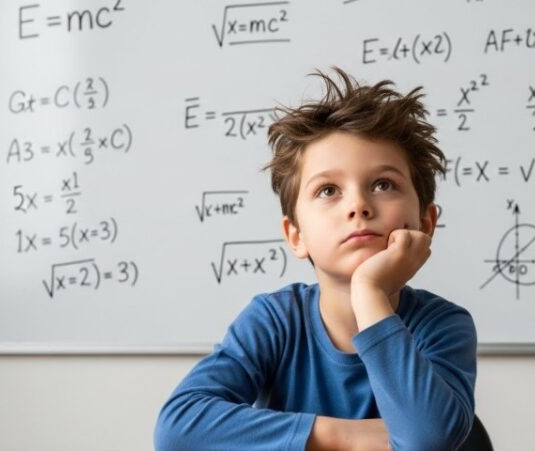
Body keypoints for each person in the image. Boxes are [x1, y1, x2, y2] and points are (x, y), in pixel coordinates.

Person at [154, 67, 477, 450]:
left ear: (425, 222)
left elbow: (428, 439)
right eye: (328, 190)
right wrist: (350, 439)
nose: (358, 205)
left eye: (383, 184)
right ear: (297, 235)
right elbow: (177, 428)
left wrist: (370, 291)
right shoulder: (274, 320)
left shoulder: (442, 325)